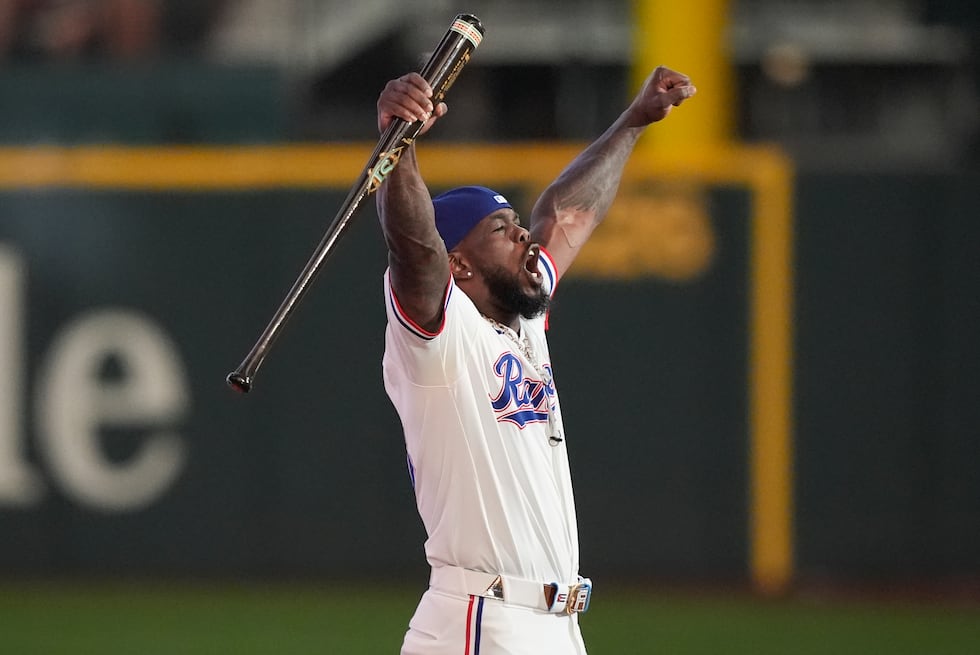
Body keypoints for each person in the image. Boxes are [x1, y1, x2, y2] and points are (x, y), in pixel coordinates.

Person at [376, 64, 695, 655]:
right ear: (459, 265)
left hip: (555, 625)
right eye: (502, 229)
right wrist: (399, 145)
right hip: (482, 621)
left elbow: (567, 214)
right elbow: (415, 248)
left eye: (517, 224)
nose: (524, 236)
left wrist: (633, 121)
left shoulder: (523, 318)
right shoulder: (441, 338)